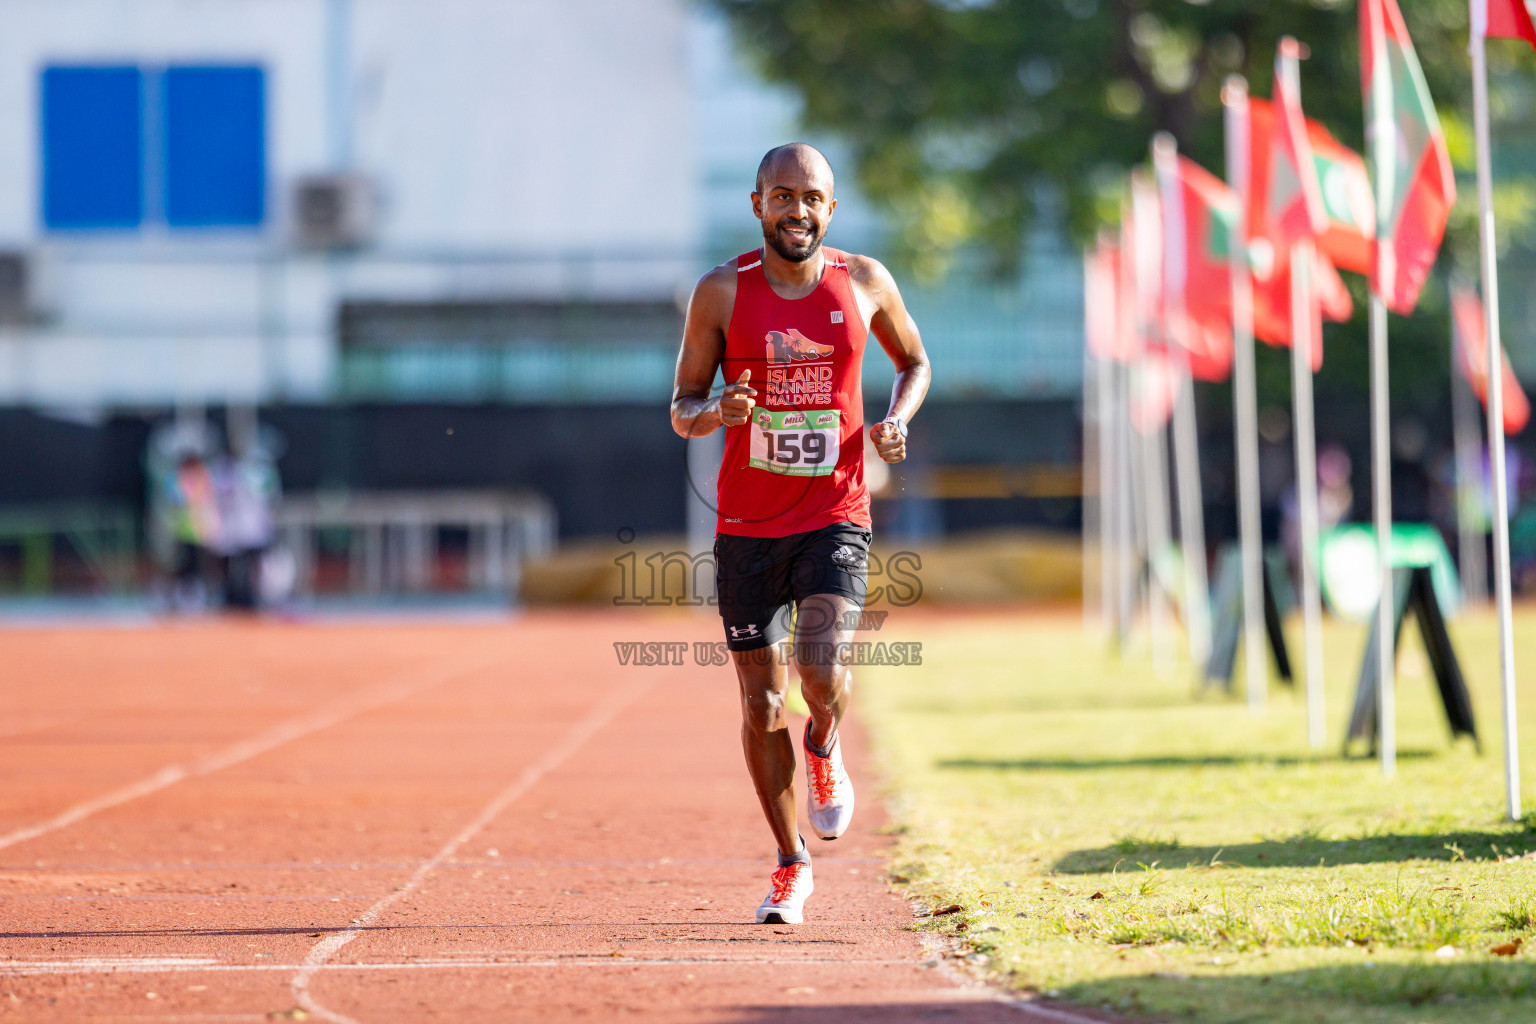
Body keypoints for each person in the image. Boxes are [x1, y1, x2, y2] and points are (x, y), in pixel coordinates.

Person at [670, 143, 931, 924]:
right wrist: (720, 411)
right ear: (757, 207)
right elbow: (682, 406)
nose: (797, 210)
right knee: (759, 703)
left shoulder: (866, 282)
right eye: (781, 197)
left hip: (835, 515)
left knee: (819, 673)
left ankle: (824, 745)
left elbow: (915, 363)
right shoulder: (721, 292)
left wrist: (894, 419)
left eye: (811, 197)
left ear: (831, 208)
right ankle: (791, 864)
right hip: (747, 528)